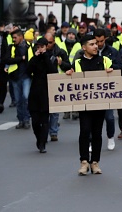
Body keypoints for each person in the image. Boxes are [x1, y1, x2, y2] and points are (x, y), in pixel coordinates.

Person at [66, 34, 114, 175]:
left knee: (97, 133)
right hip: (84, 104)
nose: (95, 46)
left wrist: (110, 73)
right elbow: (72, 79)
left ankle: (95, 162)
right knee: (85, 131)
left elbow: (115, 76)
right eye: (92, 44)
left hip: (99, 103)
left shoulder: (104, 60)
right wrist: (69, 74)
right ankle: (84, 162)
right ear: (84, 47)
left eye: (96, 44)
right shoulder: (78, 63)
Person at [26, 38, 56, 153]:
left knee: (44, 120)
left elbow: (53, 71)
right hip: (35, 92)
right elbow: (28, 71)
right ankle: (38, 138)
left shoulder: (51, 58)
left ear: (46, 47)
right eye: (38, 47)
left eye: (42, 47)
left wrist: (45, 57)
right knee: (35, 121)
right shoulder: (35, 59)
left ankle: (42, 142)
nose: (40, 49)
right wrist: (35, 57)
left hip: (46, 92)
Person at [43, 33, 72, 142]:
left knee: (54, 110)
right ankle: (45, 132)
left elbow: (69, 66)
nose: (47, 45)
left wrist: (61, 63)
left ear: (54, 42)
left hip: (57, 83)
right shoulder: (40, 52)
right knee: (45, 109)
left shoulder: (60, 52)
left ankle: (54, 132)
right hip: (43, 82)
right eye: (46, 42)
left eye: (50, 42)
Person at [4, 29, 33, 129]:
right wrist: (21, 58)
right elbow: (6, 59)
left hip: (26, 77)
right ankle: (21, 120)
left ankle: (26, 119)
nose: (13, 39)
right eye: (13, 37)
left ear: (21, 37)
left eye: (15, 37)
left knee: (25, 97)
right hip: (15, 77)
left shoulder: (29, 47)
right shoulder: (11, 47)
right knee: (18, 100)